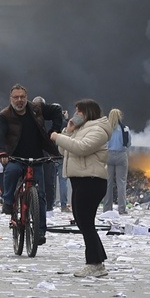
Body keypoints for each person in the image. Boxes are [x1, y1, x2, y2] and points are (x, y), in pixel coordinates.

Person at [51, 99, 114, 278]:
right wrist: (68, 132)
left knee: (86, 222)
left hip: (92, 181)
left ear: (88, 112)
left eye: (79, 111)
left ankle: (94, 263)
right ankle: (98, 261)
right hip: (78, 179)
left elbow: (82, 148)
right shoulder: (80, 129)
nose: (75, 114)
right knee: (82, 221)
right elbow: (65, 151)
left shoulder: (98, 130)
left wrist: (58, 136)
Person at [0, 85, 57, 246]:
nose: (20, 100)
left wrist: (54, 132)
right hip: (15, 157)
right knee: (11, 171)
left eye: (22, 96)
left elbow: (57, 110)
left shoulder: (37, 109)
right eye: (16, 97)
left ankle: (41, 231)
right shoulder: (5, 115)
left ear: (27, 97)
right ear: (11, 99)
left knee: (41, 195)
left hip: (37, 158)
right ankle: (8, 201)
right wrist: (1, 152)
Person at [102, 109, 131, 214]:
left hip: (108, 155)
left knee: (108, 183)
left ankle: (107, 209)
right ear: (120, 117)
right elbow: (128, 144)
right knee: (121, 183)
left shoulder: (106, 129)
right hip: (121, 156)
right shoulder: (125, 129)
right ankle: (122, 209)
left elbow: (102, 143)